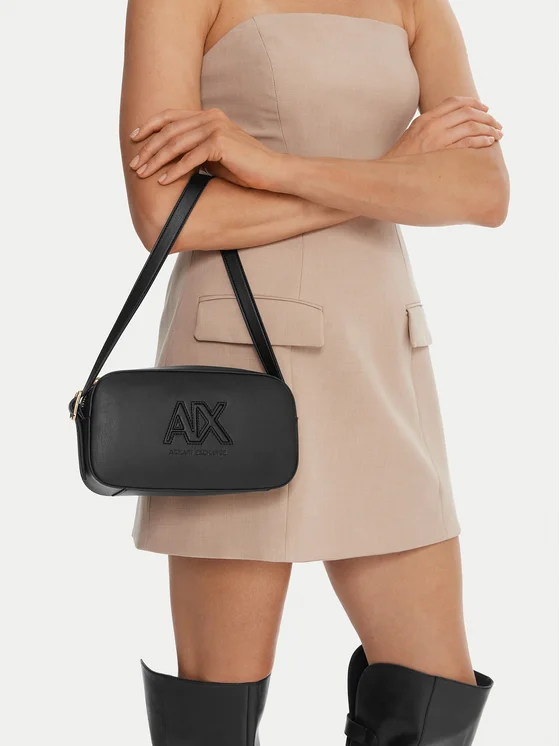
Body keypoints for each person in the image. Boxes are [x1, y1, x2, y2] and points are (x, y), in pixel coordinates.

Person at [119, 1, 509, 743]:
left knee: (436, 699)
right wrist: (392, 176)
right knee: (216, 713)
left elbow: (482, 193)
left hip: (382, 355)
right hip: (241, 358)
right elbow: (167, 215)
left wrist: (274, 169)